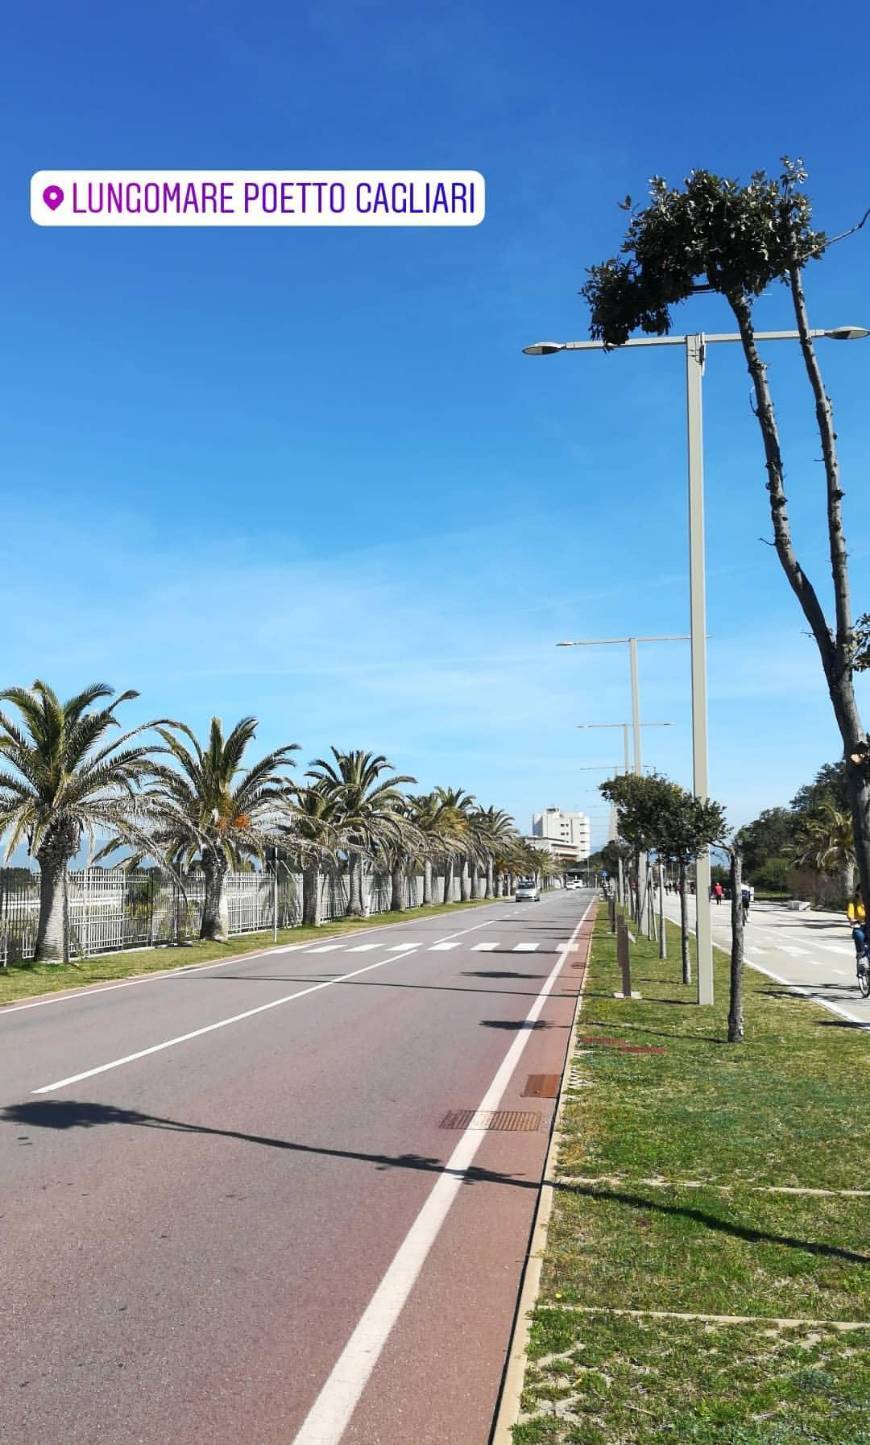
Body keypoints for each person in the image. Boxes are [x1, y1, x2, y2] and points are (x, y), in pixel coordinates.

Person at [847, 886, 867, 975]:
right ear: (857, 892)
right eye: (861, 891)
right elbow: (850, 914)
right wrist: (852, 920)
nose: (863, 893)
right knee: (859, 935)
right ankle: (861, 955)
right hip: (859, 925)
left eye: (864, 891)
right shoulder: (854, 901)